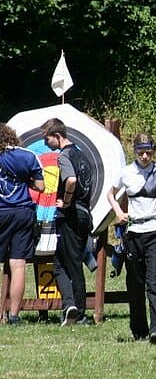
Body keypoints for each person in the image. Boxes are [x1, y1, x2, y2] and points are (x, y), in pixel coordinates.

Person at [107, 133, 156, 343]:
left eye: (149, 152)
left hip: (155, 232)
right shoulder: (126, 172)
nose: (145, 156)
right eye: (141, 152)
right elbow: (110, 193)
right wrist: (118, 212)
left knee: (154, 282)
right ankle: (139, 330)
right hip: (133, 233)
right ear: (135, 151)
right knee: (135, 283)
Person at [41, 118, 95, 326]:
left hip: (71, 216)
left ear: (57, 136)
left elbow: (71, 180)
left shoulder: (64, 156)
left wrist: (67, 201)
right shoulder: (82, 155)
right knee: (61, 263)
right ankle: (71, 306)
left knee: (71, 265)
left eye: (47, 139)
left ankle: (78, 312)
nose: (45, 143)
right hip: (84, 215)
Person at [0, 123, 45, 325]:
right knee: (18, 264)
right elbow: (41, 186)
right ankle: (14, 315)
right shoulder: (27, 156)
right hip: (22, 212)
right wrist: (26, 181)